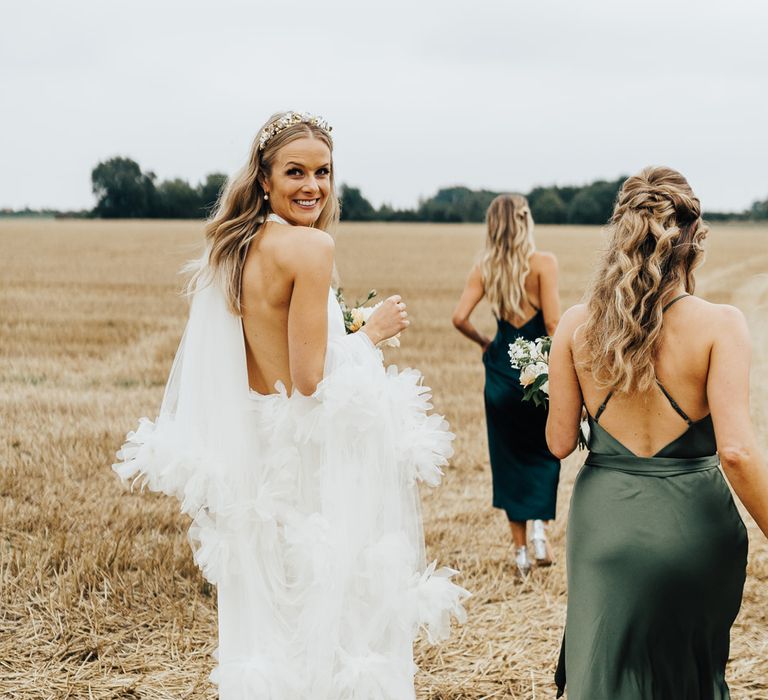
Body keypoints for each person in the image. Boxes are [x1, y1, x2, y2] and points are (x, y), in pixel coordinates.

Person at [113, 111, 468, 699]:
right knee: (333, 611)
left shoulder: (235, 249)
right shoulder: (310, 247)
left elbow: (262, 355)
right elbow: (309, 379)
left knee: (271, 617)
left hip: (257, 452)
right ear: (264, 181)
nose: (312, 186)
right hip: (306, 458)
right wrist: (368, 335)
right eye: (295, 172)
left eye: (323, 172)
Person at [547, 166, 768, 699]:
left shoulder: (576, 326)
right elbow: (736, 452)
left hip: (606, 527)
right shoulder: (721, 325)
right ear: (693, 242)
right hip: (694, 528)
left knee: (607, 670)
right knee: (686, 675)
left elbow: (557, 443)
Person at [453, 194, 561, 575]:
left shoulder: (485, 267)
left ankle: (519, 555)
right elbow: (551, 325)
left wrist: (486, 343)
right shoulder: (543, 264)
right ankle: (538, 533)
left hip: (500, 373)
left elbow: (460, 317)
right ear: (525, 221)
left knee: (509, 460)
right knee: (544, 451)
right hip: (537, 375)